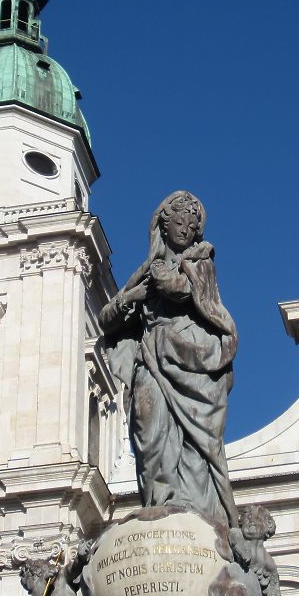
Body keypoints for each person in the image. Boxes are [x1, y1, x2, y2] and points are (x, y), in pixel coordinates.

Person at [100, 191, 239, 526]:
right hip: (152, 357)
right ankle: (157, 500)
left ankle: (190, 507)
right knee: (148, 427)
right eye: (179, 223)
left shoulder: (200, 261)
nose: (186, 230)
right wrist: (131, 296)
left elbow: (183, 291)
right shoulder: (145, 272)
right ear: (164, 225)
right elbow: (106, 319)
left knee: (196, 442)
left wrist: (162, 277)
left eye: (192, 227)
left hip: (193, 359)